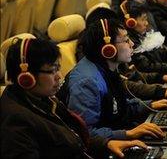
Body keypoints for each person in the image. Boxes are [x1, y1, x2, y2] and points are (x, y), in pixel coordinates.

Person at [0, 38, 146, 158]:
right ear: (26, 78)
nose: (59, 77)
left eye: (58, 69)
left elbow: (74, 139)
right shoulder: (15, 122)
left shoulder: (43, 99)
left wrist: (107, 143)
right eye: (52, 71)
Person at [67, 17, 167, 141]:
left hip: (115, 129)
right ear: (108, 49)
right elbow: (85, 133)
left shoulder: (107, 67)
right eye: (126, 40)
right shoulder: (87, 82)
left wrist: (150, 104)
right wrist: (128, 134)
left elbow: (118, 106)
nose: (132, 44)